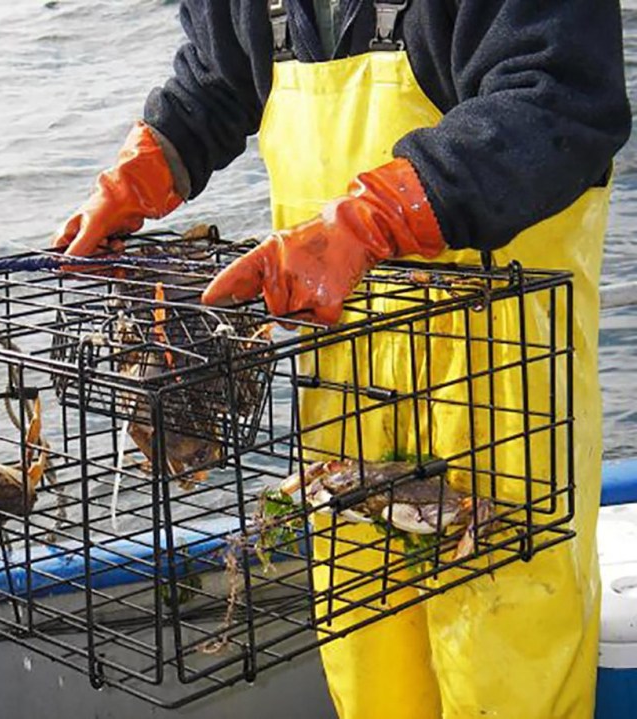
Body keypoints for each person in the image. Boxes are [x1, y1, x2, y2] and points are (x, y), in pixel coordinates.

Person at [52, 2, 632, 718]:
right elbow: (218, 74)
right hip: (344, 376)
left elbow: (562, 101)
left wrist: (372, 218)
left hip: (503, 380)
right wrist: (148, 166)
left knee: (507, 663)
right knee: (369, 667)